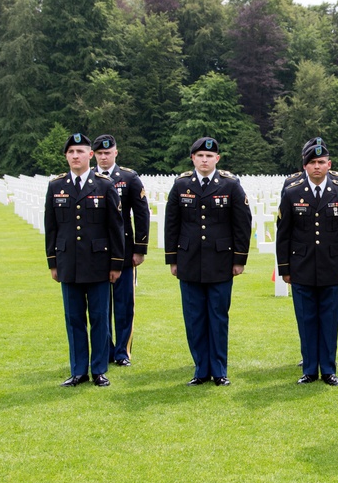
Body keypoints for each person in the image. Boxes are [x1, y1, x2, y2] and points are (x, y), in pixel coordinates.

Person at [164, 137, 252, 387]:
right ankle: (201, 368)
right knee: (194, 318)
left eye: (209, 156)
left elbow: (242, 224)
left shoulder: (230, 185)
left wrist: (239, 259)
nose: (204, 160)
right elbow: (172, 224)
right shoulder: (181, 184)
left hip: (221, 262)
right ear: (193, 158)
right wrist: (173, 259)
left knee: (218, 317)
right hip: (189, 261)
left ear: (217, 159)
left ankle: (219, 369)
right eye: (200, 156)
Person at [45, 132, 125, 387]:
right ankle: (78, 370)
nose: (75, 156)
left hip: (98, 264)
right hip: (68, 263)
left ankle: (99, 369)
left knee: (100, 319)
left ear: (90, 155)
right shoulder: (56, 186)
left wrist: (115, 264)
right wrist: (53, 262)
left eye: (80, 151)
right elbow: (51, 227)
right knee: (74, 319)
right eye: (71, 152)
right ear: (66, 156)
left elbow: (115, 227)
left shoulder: (103, 185)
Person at [277, 139, 338, 386]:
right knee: (306, 319)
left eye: (321, 162)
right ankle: (310, 369)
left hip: (333, 266)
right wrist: (285, 268)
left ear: (329, 164)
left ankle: (329, 369)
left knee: (329, 321)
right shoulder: (292, 192)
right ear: (304, 166)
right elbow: (284, 233)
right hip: (302, 267)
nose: (317, 166)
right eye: (312, 163)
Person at [92, 134, 150, 367]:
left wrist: (140, 248)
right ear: (93, 155)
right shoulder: (89, 178)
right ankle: (104, 349)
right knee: (100, 307)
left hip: (125, 252)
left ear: (116, 153)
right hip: (97, 254)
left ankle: (122, 352)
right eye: (99, 154)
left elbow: (142, 213)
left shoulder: (128, 177)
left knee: (124, 305)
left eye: (108, 153)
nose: (104, 157)